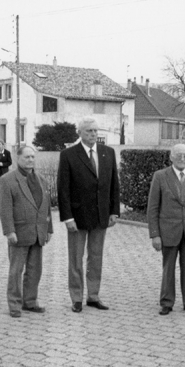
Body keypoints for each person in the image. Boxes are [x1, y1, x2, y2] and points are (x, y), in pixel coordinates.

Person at [57, 116, 120, 312]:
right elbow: (63, 189)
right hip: (77, 217)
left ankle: (93, 296)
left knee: (96, 257)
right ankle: (76, 297)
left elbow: (113, 185)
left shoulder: (108, 153)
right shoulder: (68, 155)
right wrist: (68, 217)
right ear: (80, 133)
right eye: (88, 131)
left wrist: (114, 211)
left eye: (95, 131)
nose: (93, 134)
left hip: (101, 216)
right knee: (76, 259)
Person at [147, 144, 185, 315]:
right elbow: (153, 208)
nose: (182, 158)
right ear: (171, 157)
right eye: (178, 155)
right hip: (168, 232)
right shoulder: (160, 176)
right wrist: (155, 235)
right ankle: (166, 302)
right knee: (168, 268)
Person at [0, 145, 53, 317]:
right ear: (17, 159)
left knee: (35, 270)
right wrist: (9, 231)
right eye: (26, 157)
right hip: (19, 232)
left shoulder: (41, 179)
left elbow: (46, 205)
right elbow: (4, 208)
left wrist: (49, 228)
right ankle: (14, 304)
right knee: (16, 270)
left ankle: (30, 301)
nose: (30, 160)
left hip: (38, 232)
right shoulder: (7, 180)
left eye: (32, 157)